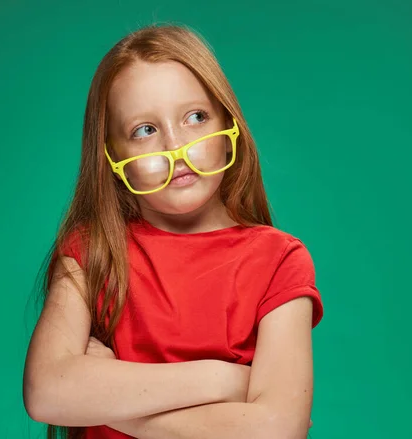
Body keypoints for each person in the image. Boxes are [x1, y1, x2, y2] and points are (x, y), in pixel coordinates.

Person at [23, 23, 324, 439]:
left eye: (196, 117)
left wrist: (109, 399)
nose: (175, 148)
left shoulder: (279, 261)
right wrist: (223, 380)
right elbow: (46, 393)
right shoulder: (91, 253)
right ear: (112, 155)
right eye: (144, 130)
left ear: (228, 122)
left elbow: (273, 432)